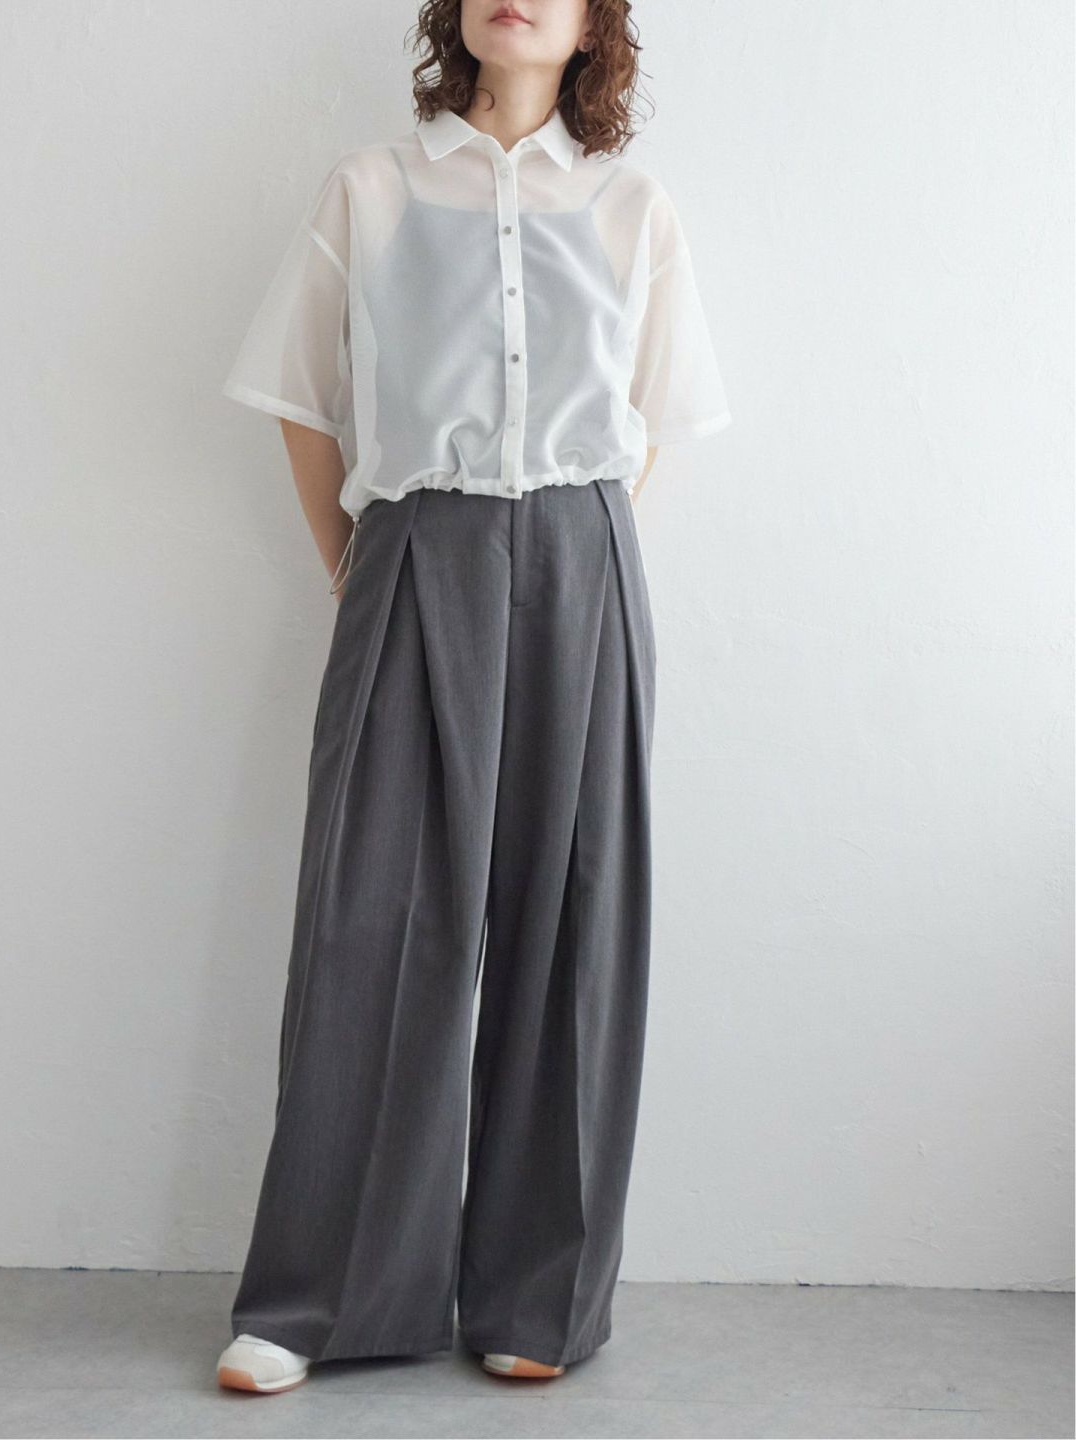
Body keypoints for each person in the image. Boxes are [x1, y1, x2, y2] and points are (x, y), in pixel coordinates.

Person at [214, 0, 730, 1394]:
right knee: (374, 913)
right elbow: (303, 398)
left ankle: (534, 1297)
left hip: (581, 551)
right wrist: (360, 566)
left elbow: (654, 419)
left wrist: (580, 555)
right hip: (412, 544)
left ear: (594, 27)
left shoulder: (630, 206)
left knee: (575, 916)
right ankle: (321, 1302)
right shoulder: (373, 188)